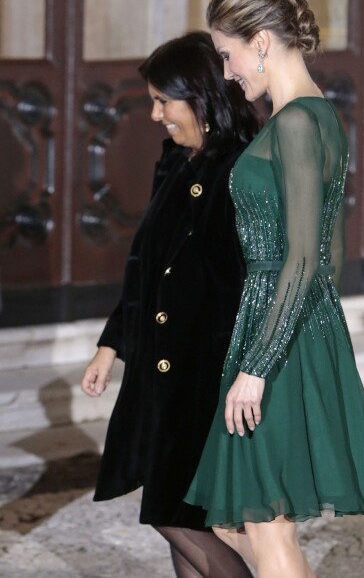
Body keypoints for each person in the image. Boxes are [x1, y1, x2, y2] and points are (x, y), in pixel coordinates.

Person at [184, 0, 364, 576]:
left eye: (228, 55)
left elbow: (308, 256)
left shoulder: (294, 122)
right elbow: (327, 255)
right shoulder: (317, 117)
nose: (229, 72)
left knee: (267, 527)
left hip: (278, 337)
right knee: (233, 521)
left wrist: (259, 364)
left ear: (261, 40)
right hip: (287, 324)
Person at [81, 31, 260, 578]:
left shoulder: (244, 170)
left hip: (203, 376)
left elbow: (255, 283)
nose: (156, 115)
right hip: (158, 374)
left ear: (203, 98)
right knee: (170, 511)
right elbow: (145, 264)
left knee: (176, 514)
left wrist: (248, 371)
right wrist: (111, 345)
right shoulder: (174, 162)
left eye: (165, 101)